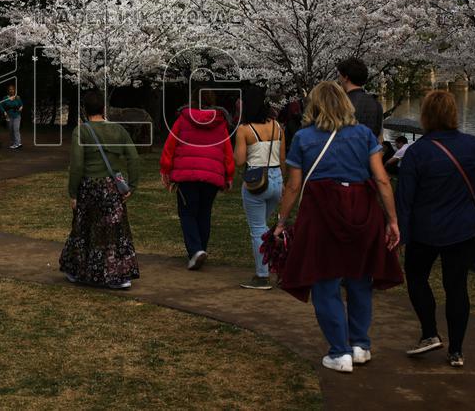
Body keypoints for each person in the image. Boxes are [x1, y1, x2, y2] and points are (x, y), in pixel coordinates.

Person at [274, 81, 402, 373]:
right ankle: (360, 345)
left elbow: (293, 186)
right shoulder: (364, 135)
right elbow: (382, 179)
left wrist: (282, 220)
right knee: (360, 278)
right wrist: (392, 219)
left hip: (321, 211)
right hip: (362, 208)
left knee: (325, 279)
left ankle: (339, 351)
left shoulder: (304, 138)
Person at [396, 90, 475, 368]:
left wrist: (401, 234)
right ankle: (456, 350)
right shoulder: (473, 146)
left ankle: (430, 332)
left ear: (426, 115)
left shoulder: (418, 152)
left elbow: (404, 198)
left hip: (425, 229)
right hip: (463, 227)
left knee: (417, 277)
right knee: (456, 286)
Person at [59, 90, 140, 289]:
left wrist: (73, 193)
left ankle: (77, 269)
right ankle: (119, 275)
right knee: (115, 231)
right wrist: (132, 185)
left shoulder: (81, 131)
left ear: (84, 110)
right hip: (111, 187)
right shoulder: (118, 130)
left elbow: (77, 165)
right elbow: (133, 158)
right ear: (104, 109)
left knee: (83, 229)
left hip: (89, 186)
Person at [160, 90, 234, 271]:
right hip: (212, 175)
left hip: (187, 175)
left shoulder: (183, 119)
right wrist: (229, 174)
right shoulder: (220, 123)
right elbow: (227, 150)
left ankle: (195, 250)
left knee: (187, 213)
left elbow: (170, 144)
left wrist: (165, 170)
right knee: (204, 213)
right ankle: (200, 249)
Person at [233, 92, 286, 290]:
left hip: (256, 181)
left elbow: (239, 161)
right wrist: (283, 182)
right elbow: (282, 158)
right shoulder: (277, 126)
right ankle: (275, 264)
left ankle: (262, 275)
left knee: (257, 229)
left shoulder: (244, 130)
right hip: (276, 178)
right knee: (263, 226)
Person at [337, 57, 384, 140]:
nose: (339, 80)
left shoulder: (341, 103)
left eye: (340, 76)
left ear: (346, 78)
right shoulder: (376, 104)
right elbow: (378, 135)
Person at [0, 83, 24, 149]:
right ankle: (13, 143)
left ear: (14, 90)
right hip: (9, 116)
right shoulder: (5, 98)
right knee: (11, 130)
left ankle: (18, 143)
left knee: (16, 129)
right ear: (8, 90)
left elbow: (21, 105)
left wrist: (20, 108)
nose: (11, 90)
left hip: (17, 115)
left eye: (12, 89)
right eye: (10, 89)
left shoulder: (17, 97)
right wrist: (4, 112)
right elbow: (0, 105)